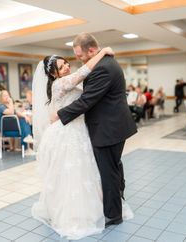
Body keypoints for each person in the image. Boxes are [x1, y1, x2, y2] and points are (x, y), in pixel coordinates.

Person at [47, 33, 137, 229]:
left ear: (91, 50)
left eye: (79, 55)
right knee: (111, 168)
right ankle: (115, 202)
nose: (77, 60)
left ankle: (113, 215)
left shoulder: (102, 68)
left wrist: (59, 115)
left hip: (108, 128)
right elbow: (83, 78)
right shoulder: (103, 63)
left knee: (108, 171)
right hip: (106, 127)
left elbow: (87, 100)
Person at [31, 47, 119, 240]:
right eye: (62, 67)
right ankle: (73, 215)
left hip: (79, 130)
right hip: (67, 133)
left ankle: (97, 208)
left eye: (66, 63)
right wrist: (102, 52)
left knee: (86, 171)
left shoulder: (63, 83)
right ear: (53, 73)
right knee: (72, 174)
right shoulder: (60, 83)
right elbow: (82, 72)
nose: (67, 67)